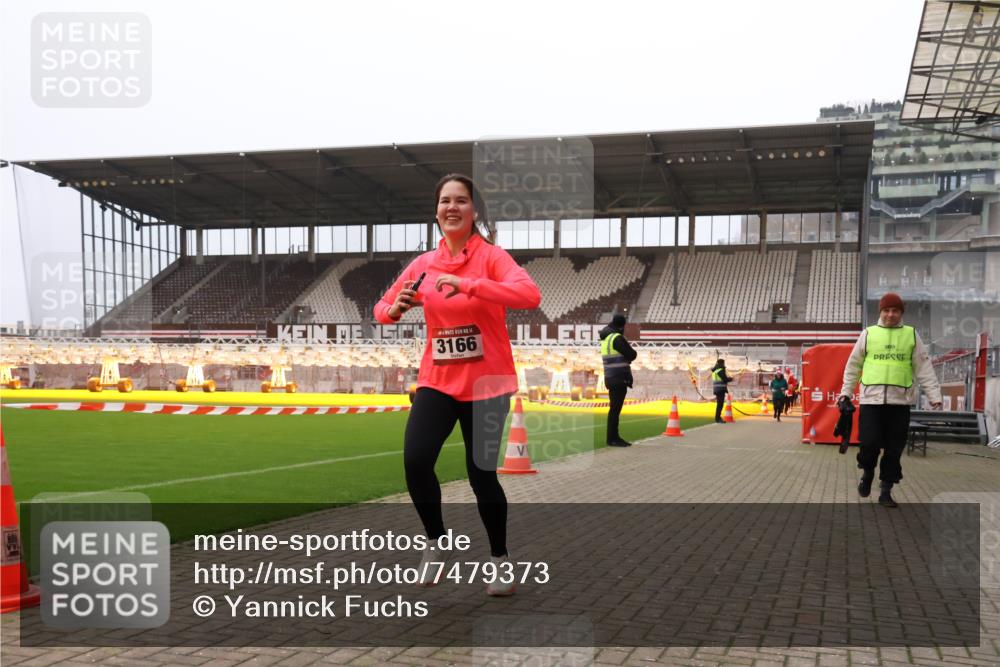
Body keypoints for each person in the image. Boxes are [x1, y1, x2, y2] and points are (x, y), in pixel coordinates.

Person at [374, 173, 541, 594]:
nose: (452, 207)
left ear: (474, 211)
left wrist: (469, 284)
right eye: (445, 201)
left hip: (487, 383)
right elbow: (380, 308)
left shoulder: (491, 257)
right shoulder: (422, 265)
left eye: (461, 201)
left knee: (481, 474)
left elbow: (529, 295)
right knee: (415, 460)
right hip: (438, 380)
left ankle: (499, 560)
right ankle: (436, 541)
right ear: (436, 211)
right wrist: (394, 309)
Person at [838, 292, 942, 508]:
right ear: (881, 312)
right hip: (871, 402)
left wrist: (934, 395)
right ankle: (867, 474)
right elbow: (853, 366)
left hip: (900, 403)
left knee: (894, 449)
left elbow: (923, 367)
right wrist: (845, 394)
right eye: (886, 310)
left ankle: (886, 491)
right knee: (869, 444)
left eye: (895, 311)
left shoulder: (911, 335)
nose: (890, 314)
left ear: (901, 313)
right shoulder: (868, 334)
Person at [599, 313, 638, 447]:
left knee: (613, 410)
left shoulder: (606, 339)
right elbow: (632, 354)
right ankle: (613, 439)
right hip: (619, 378)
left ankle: (613, 438)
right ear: (622, 326)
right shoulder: (616, 338)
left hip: (610, 377)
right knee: (615, 410)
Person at [711, 359, 734, 424]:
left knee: (719, 404)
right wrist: (731, 378)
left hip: (717, 389)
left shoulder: (715, 370)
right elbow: (725, 379)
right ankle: (718, 418)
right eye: (724, 363)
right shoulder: (720, 370)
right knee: (720, 405)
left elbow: (722, 379)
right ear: (722, 363)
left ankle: (717, 418)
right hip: (720, 389)